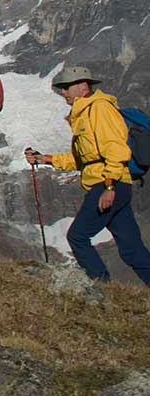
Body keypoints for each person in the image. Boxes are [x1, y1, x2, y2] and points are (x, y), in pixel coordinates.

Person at [24, 66, 150, 285]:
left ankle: (100, 287)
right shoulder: (84, 113)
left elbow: (116, 149)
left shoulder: (99, 109)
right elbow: (84, 159)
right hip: (115, 182)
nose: (63, 92)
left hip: (109, 182)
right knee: (132, 247)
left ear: (84, 86)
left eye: (66, 87)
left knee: (78, 236)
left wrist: (109, 187)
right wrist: (46, 159)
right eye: (61, 88)